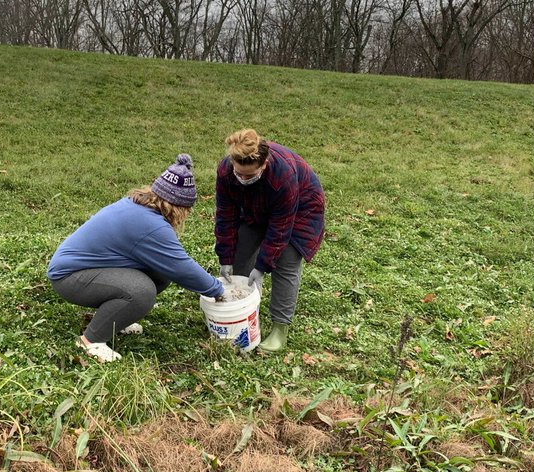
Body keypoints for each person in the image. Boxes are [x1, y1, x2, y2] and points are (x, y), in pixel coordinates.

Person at [48, 154, 225, 362]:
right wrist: (218, 290)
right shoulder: (151, 226)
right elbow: (181, 266)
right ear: (178, 207)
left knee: (159, 273)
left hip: (86, 270)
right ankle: (91, 341)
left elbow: (171, 265)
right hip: (69, 277)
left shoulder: (138, 206)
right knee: (141, 292)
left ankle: (116, 318)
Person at [214, 129, 326, 354]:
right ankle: (245, 312)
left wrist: (263, 265)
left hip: (301, 209)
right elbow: (226, 215)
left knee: (286, 262)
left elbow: (280, 227)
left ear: (264, 164)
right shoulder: (226, 170)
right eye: (239, 174)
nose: (242, 179)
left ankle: (280, 327)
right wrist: (226, 256)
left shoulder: (282, 174)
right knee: (238, 255)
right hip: (256, 205)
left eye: (249, 175)